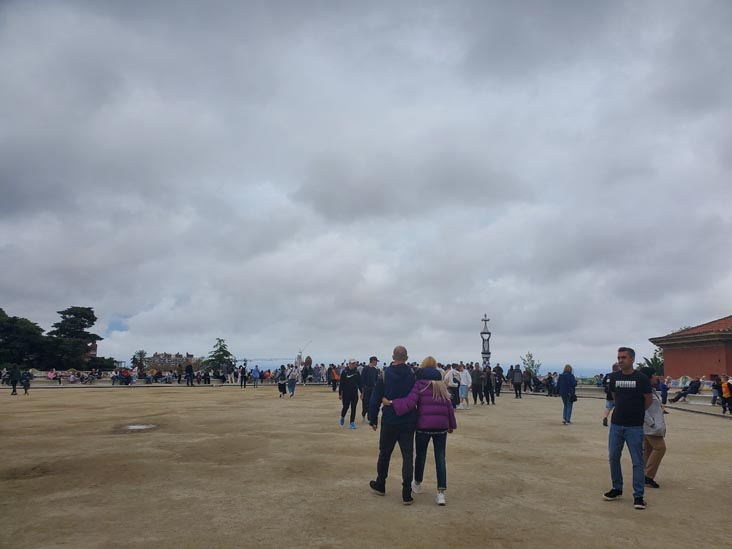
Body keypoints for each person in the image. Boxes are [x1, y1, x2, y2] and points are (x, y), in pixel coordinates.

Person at [383, 356, 457, 506]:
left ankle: (417, 483)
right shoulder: (441, 385)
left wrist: (391, 402)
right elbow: (449, 406)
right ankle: (441, 493)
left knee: (420, 456)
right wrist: (451, 425)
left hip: (424, 426)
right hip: (441, 426)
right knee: (440, 458)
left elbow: (409, 402)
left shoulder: (420, 384)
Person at [604, 347, 653, 510]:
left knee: (637, 461)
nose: (620, 360)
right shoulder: (614, 377)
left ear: (632, 359)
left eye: (623, 357)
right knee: (613, 457)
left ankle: (638, 496)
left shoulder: (642, 378)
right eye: (618, 357)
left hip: (634, 426)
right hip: (617, 424)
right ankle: (617, 488)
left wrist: (636, 412)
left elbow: (648, 400)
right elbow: (614, 396)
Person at [368, 345, 417, 505]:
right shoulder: (412, 374)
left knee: (385, 453)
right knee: (408, 456)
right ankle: (406, 493)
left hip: (389, 419)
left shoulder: (384, 374)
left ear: (393, 356)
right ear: (407, 358)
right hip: (408, 419)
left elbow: (376, 396)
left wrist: (373, 418)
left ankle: (381, 483)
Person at [639, 367, 666, 489]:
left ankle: (643, 474)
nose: (656, 377)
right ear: (648, 377)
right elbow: (642, 409)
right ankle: (648, 476)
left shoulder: (651, 389)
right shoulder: (644, 391)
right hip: (651, 427)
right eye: (654, 375)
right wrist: (652, 423)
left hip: (650, 425)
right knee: (660, 448)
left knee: (648, 450)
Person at [339, 359, 363, 429]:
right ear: (349, 364)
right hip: (346, 393)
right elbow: (341, 384)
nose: (353, 365)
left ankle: (352, 422)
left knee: (353, 408)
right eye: (352, 363)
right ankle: (342, 417)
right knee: (345, 407)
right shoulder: (344, 372)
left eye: (354, 363)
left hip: (354, 393)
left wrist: (362, 392)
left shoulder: (356, 372)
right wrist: (340, 394)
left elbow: (359, 383)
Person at [361, 356, 379, 422]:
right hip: (366, 388)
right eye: (376, 361)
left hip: (373, 389)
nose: (376, 362)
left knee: (371, 403)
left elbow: (377, 380)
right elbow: (362, 380)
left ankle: (369, 418)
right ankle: (363, 413)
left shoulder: (375, 370)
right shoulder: (365, 369)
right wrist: (362, 391)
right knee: (365, 403)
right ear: (373, 361)